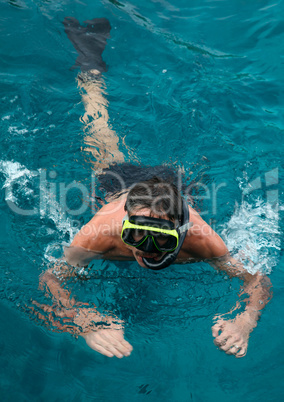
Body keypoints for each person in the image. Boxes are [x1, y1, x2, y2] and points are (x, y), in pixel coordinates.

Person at [36, 18, 272, 360]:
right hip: (119, 184)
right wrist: (83, 321)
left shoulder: (203, 239)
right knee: (99, 130)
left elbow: (257, 281)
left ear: (183, 231)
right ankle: (90, 64)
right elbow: (50, 279)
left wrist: (245, 322)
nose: (146, 250)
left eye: (161, 239)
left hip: (175, 188)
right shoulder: (100, 232)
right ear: (123, 228)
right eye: (136, 236)